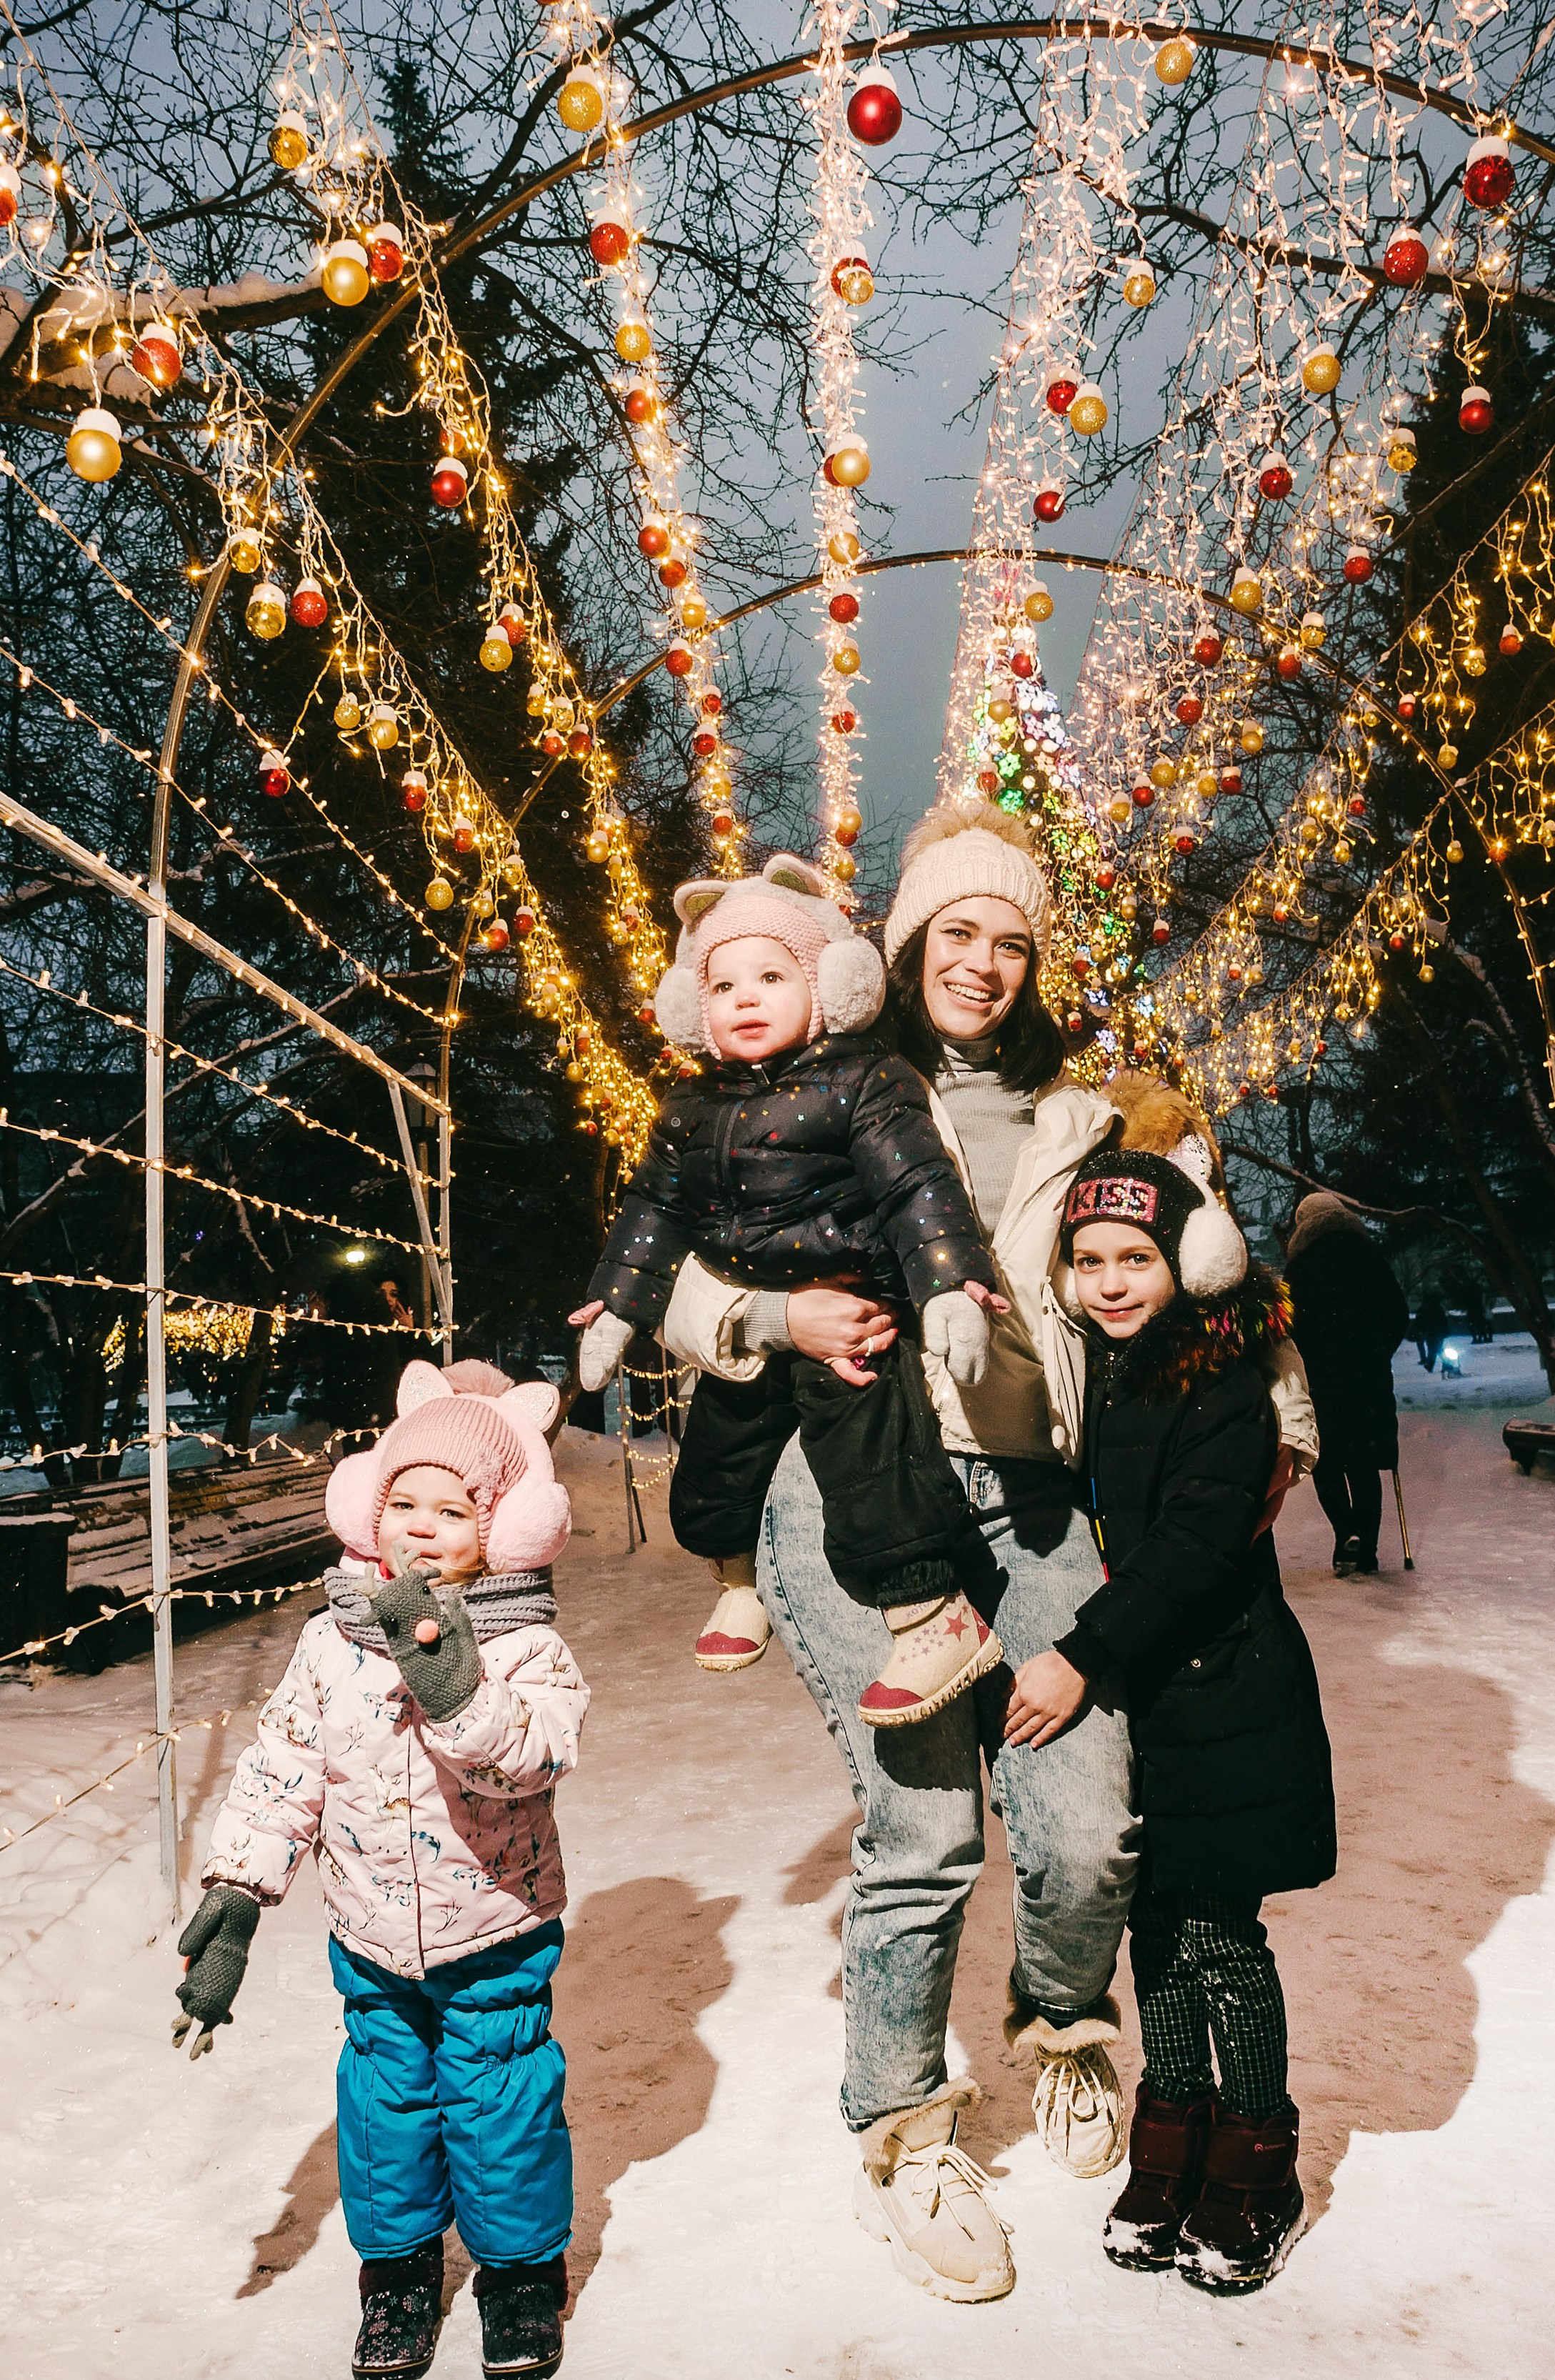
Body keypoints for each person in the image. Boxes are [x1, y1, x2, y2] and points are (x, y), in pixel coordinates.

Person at [656, 803, 1319, 2303]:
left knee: (1087, 1827)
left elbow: (1208, 1266)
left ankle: (1063, 2026)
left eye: (1011, 942)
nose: (981, 962)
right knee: (924, 1831)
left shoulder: (1090, 1117)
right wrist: (775, 1316)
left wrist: (1280, 1418)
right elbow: (678, 1286)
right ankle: (903, 2133)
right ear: (901, 947)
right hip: (847, 1488)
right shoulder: (809, 1082)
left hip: (1032, 1494)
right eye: (954, 931)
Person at [171, 1359, 585, 2380]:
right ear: (370, 1509)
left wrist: (455, 1682)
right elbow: (285, 1763)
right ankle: (396, 2275)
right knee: (383, 2108)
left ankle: (520, 2276)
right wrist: (237, 1889)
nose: (421, 1527)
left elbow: (529, 1757)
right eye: (404, 1503)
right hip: (368, 1937)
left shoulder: (526, 1644)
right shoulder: (330, 1641)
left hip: (494, 1928)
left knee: (500, 2103)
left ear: (501, 1526)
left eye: (453, 1509)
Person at [572, 852, 1006, 1728]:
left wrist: (949, 1285)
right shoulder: (685, 1109)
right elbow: (652, 1211)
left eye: (770, 977)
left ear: (825, 987)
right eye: (722, 984)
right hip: (752, 1323)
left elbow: (915, 1187)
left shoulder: (862, 1079)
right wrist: (618, 1303)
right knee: (716, 1452)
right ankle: (734, 1578)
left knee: (869, 1451)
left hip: (856, 1303)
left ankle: (929, 1609)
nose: (745, 998)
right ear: (693, 1007)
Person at [1056, 1148, 1336, 2294]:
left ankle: (1259, 2159)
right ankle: (1172, 2140)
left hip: (1227, 1694)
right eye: (1088, 1260)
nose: (1111, 1281)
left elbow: (1195, 1545)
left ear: (1189, 1260)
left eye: (1136, 1256)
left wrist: (1079, 1652)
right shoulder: (1103, 1371)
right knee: (1156, 1929)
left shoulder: (1222, 1382)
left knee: (1221, 1934)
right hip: (1153, 1697)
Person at [1286, 1193, 1409, 1575]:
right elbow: (1398, 1314)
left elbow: (1289, 1327)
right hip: (1367, 1377)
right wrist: (1377, 1351)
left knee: (1326, 1462)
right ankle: (1367, 1552)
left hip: (1322, 1380)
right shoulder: (1370, 1259)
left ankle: (1345, 1534)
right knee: (1363, 1463)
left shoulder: (1301, 1267)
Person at [1413, 1285, 1449, 1374]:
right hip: (1438, 1332)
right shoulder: (1439, 1309)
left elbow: (1420, 1321)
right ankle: (1442, 1364)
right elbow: (1444, 1321)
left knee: (1433, 1349)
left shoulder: (1425, 1309)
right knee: (1437, 1349)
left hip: (1431, 1332)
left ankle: (1431, 1365)